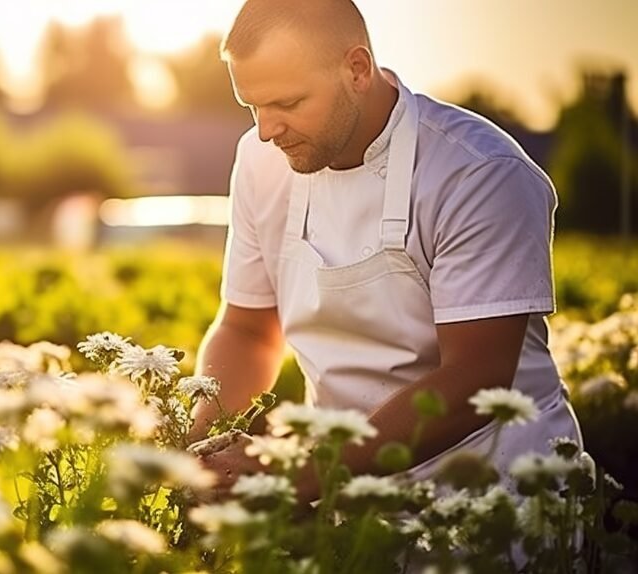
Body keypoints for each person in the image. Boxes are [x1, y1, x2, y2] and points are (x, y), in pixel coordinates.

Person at [188, 0, 583, 501]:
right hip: (349, 498)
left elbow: (475, 379)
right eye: (252, 107)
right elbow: (247, 330)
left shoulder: (479, 173)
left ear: (356, 69)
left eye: (287, 104)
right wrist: (199, 444)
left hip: (498, 498)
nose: (266, 130)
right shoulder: (259, 160)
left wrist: (298, 477)